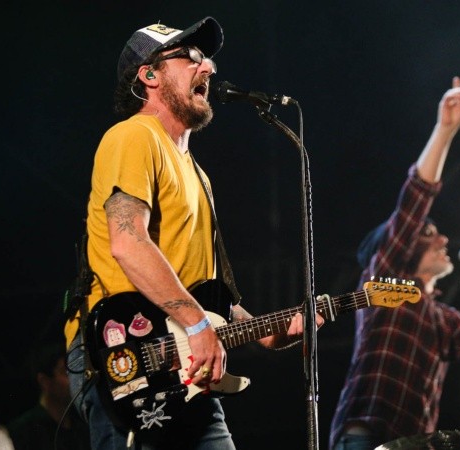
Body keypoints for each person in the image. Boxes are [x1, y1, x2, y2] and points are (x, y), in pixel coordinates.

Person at [63, 16, 322, 450]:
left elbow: (208, 294)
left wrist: (266, 330)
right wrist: (197, 323)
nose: (209, 68)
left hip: (189, 367)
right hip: (128, 354)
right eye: (191, 57)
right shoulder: (133, 136)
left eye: (207, 59)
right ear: (148, 75)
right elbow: (127, 243)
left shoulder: (198, 174)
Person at [329, 77, 460, 450]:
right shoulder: (384, 284)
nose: (443, 240)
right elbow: (415, 200)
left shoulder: (443, 318)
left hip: (416, 443)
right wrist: (445, 131)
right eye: (429, 233)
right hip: (367, 435)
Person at [7, 342, 90, 450]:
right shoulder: (24, 431)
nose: (75, 379)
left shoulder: (82, 428)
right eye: (66, 372)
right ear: (44, 381)